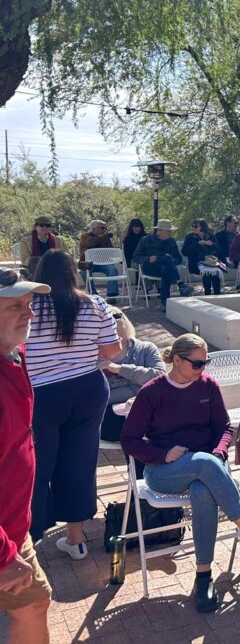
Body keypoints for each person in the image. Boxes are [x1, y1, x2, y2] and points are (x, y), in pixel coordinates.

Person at [120, 334, 240, 612]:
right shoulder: (152, 393)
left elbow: (225, 429)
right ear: (176, 360)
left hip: (208, 466)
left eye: (206, 362)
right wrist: (162, 455)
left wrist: (218, 453)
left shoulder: (207, 386)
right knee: (204, 465)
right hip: (165, 471)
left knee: (203, 487)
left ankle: (203, 576)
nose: (203, 368)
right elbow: (129, 440)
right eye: (197, 363)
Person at [25, 251, 121, 555]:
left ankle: (33, 537)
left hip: (42, 394)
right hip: (87, 389)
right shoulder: (94, 304)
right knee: (79, 461)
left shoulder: (29, 305)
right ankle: (76, 538)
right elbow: (112, 350)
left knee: (36, 466)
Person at [0, 269, 53, 644]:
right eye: (16, 306)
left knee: (32, 604)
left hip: (12, 525)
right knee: (32, 604)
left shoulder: (13, 356)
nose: (30, 314)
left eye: (30, 304)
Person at [98, 307, 165, 443]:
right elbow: (95, 398)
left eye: (117, 316)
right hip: (110, 417)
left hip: (146, 410)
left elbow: (160, 378)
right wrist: (138, 387)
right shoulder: (93, 357)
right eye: (106, 318)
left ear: (125, 320)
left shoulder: (145, 349)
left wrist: (118, 368)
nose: (113, 320)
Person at [133, 219, 192, 311]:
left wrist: (172, 261)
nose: (170, 233)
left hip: (166, 268)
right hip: (150, 268)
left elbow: (178, 259)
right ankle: (180, 284)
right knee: (167, 259)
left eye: (170, 231)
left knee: (166, 267)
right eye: (168, 231)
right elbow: (136, 257)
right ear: (159, 231)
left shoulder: (171, 241)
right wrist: (148, 259)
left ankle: (164, 303)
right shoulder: (146, 240)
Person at [77, 219, 121, 302]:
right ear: (93, 228)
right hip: (89, 264)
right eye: (102, 228)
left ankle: (112, 294)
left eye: (105, 228)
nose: (104, 230)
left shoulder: (106, 238)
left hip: (104, 263)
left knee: (113, 269)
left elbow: (110, 250)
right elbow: (91, 243)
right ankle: (94, 295)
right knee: (84, 273)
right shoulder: (85, 236)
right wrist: (107, 236)